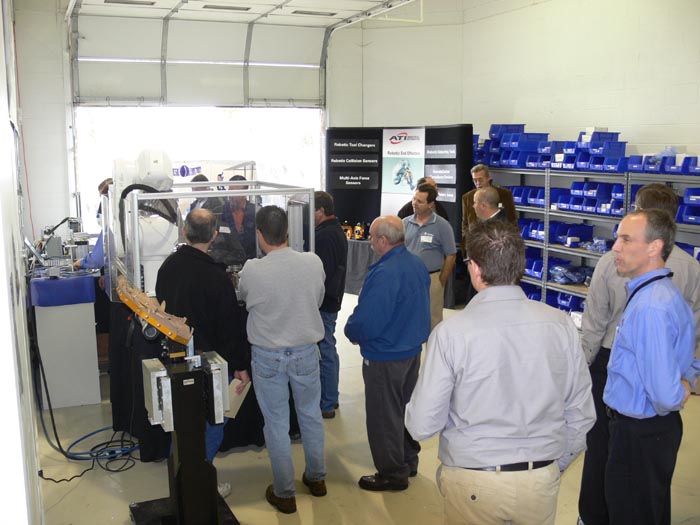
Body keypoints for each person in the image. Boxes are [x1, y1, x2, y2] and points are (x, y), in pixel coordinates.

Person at [405, 220, 595, 525]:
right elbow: (582, 415)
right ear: (520, 265)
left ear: (475, 269)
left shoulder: (452, 333)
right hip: (539, 480)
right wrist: (551, 465)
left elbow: (422, 425)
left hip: (474, 480)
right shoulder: (560, 325)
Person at [578, 183, 700, 525]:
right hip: (648, 427)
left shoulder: (650, 307)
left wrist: (682, 388)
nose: (615, 247)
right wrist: (688, 374)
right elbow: (690, 334)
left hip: (640, 429)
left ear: (654, 247)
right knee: (647, 505)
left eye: (625, 239)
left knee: (630, 506)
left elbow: (664, 394)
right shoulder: (660, 289)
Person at [155, 208, 251, 499]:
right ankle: (200, 487)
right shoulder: (216, 276)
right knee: (213, 423)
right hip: (211, 365)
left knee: (181, 424)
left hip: (176, 359)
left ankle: (181, 482)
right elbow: (230, 327)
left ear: (185, 232)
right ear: (214, 236)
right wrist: (240, 365)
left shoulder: (167, 267)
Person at [238, 205, 327, 514]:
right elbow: (317, 300)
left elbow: (244, 298)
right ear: (287, 231)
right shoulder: (313, 262)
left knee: (276, 423)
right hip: (305, 351)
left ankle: (285, 492)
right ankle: (317, 478)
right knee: (311, 415)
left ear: (259, 234)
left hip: (268, 355)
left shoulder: (252, 269)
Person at [345, 216, 430, 492]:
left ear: (383, 240)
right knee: (402, 410)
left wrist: (351, 330)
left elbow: (369, 319)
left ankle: (392, 474)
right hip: (410, 352)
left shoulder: (385, 273)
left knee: (383, 416)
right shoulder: (416, 264)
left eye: (372, 237)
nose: (370, 242)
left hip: (385, 356)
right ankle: (408, 460)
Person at [403, 183, 457, 330]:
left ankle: (433, 346)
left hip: (431, 279)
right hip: (408, 278)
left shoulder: (442, 225)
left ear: (431, 204)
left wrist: (441, 280)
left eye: (420, 201)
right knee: (407, 317)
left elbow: (451, 255)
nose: (414, 203)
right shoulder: (405, 223)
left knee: (433, 319)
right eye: (414, 199)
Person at [313, 191, 348, 420]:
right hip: (331, 299)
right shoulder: (333, 231)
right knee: (328, 348)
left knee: (325, 350)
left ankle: (326, 402)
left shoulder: (326, 235)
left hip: (325, 301)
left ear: (321, 210)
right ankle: (331, 397)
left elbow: (321, 273)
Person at [461, 164, 517, 255]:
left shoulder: (504, 194)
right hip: (475, 247)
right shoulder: (467, 197)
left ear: (488, 178)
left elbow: (512, 220)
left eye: (480, 179)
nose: (478, 183)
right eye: (475, 180)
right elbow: (465, 224)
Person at [212, 175, 257, 265]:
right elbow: (217, 241)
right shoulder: (221, 212)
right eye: (230, 191)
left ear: (245, 192)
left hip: (252, 262)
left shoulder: (255, 212)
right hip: (227, 263)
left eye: (234, 192)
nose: (231, 196)